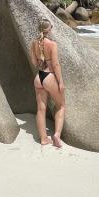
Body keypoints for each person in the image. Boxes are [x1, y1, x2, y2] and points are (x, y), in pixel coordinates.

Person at [31, 19, 65, 147]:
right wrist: (60, 82)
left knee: (40, 109)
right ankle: (56, 135)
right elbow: (56, 65)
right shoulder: (52, 44)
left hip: (39, 77)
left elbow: (34, 62)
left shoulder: (34, 43)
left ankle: (44, 139)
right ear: (49, 29)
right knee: (60, 106)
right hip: (50, 76)